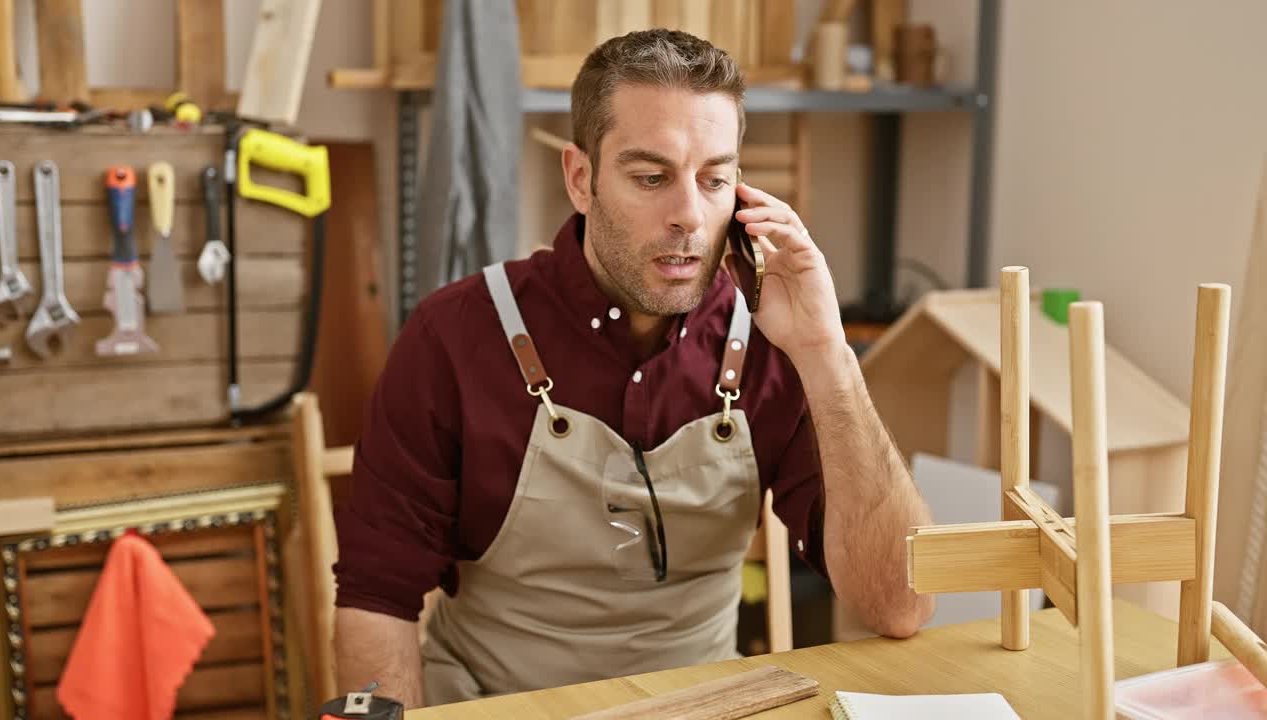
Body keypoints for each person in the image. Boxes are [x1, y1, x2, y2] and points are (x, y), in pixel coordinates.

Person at [332, 28, 934, 709]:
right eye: (651, 177)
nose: (689, 217)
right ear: (581, 179)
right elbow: (375, 600)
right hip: (493, 701)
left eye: (715, 180)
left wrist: (828, 357)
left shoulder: (775, 338)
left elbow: (901, 606)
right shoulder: (453, 337)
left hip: (704, 702)